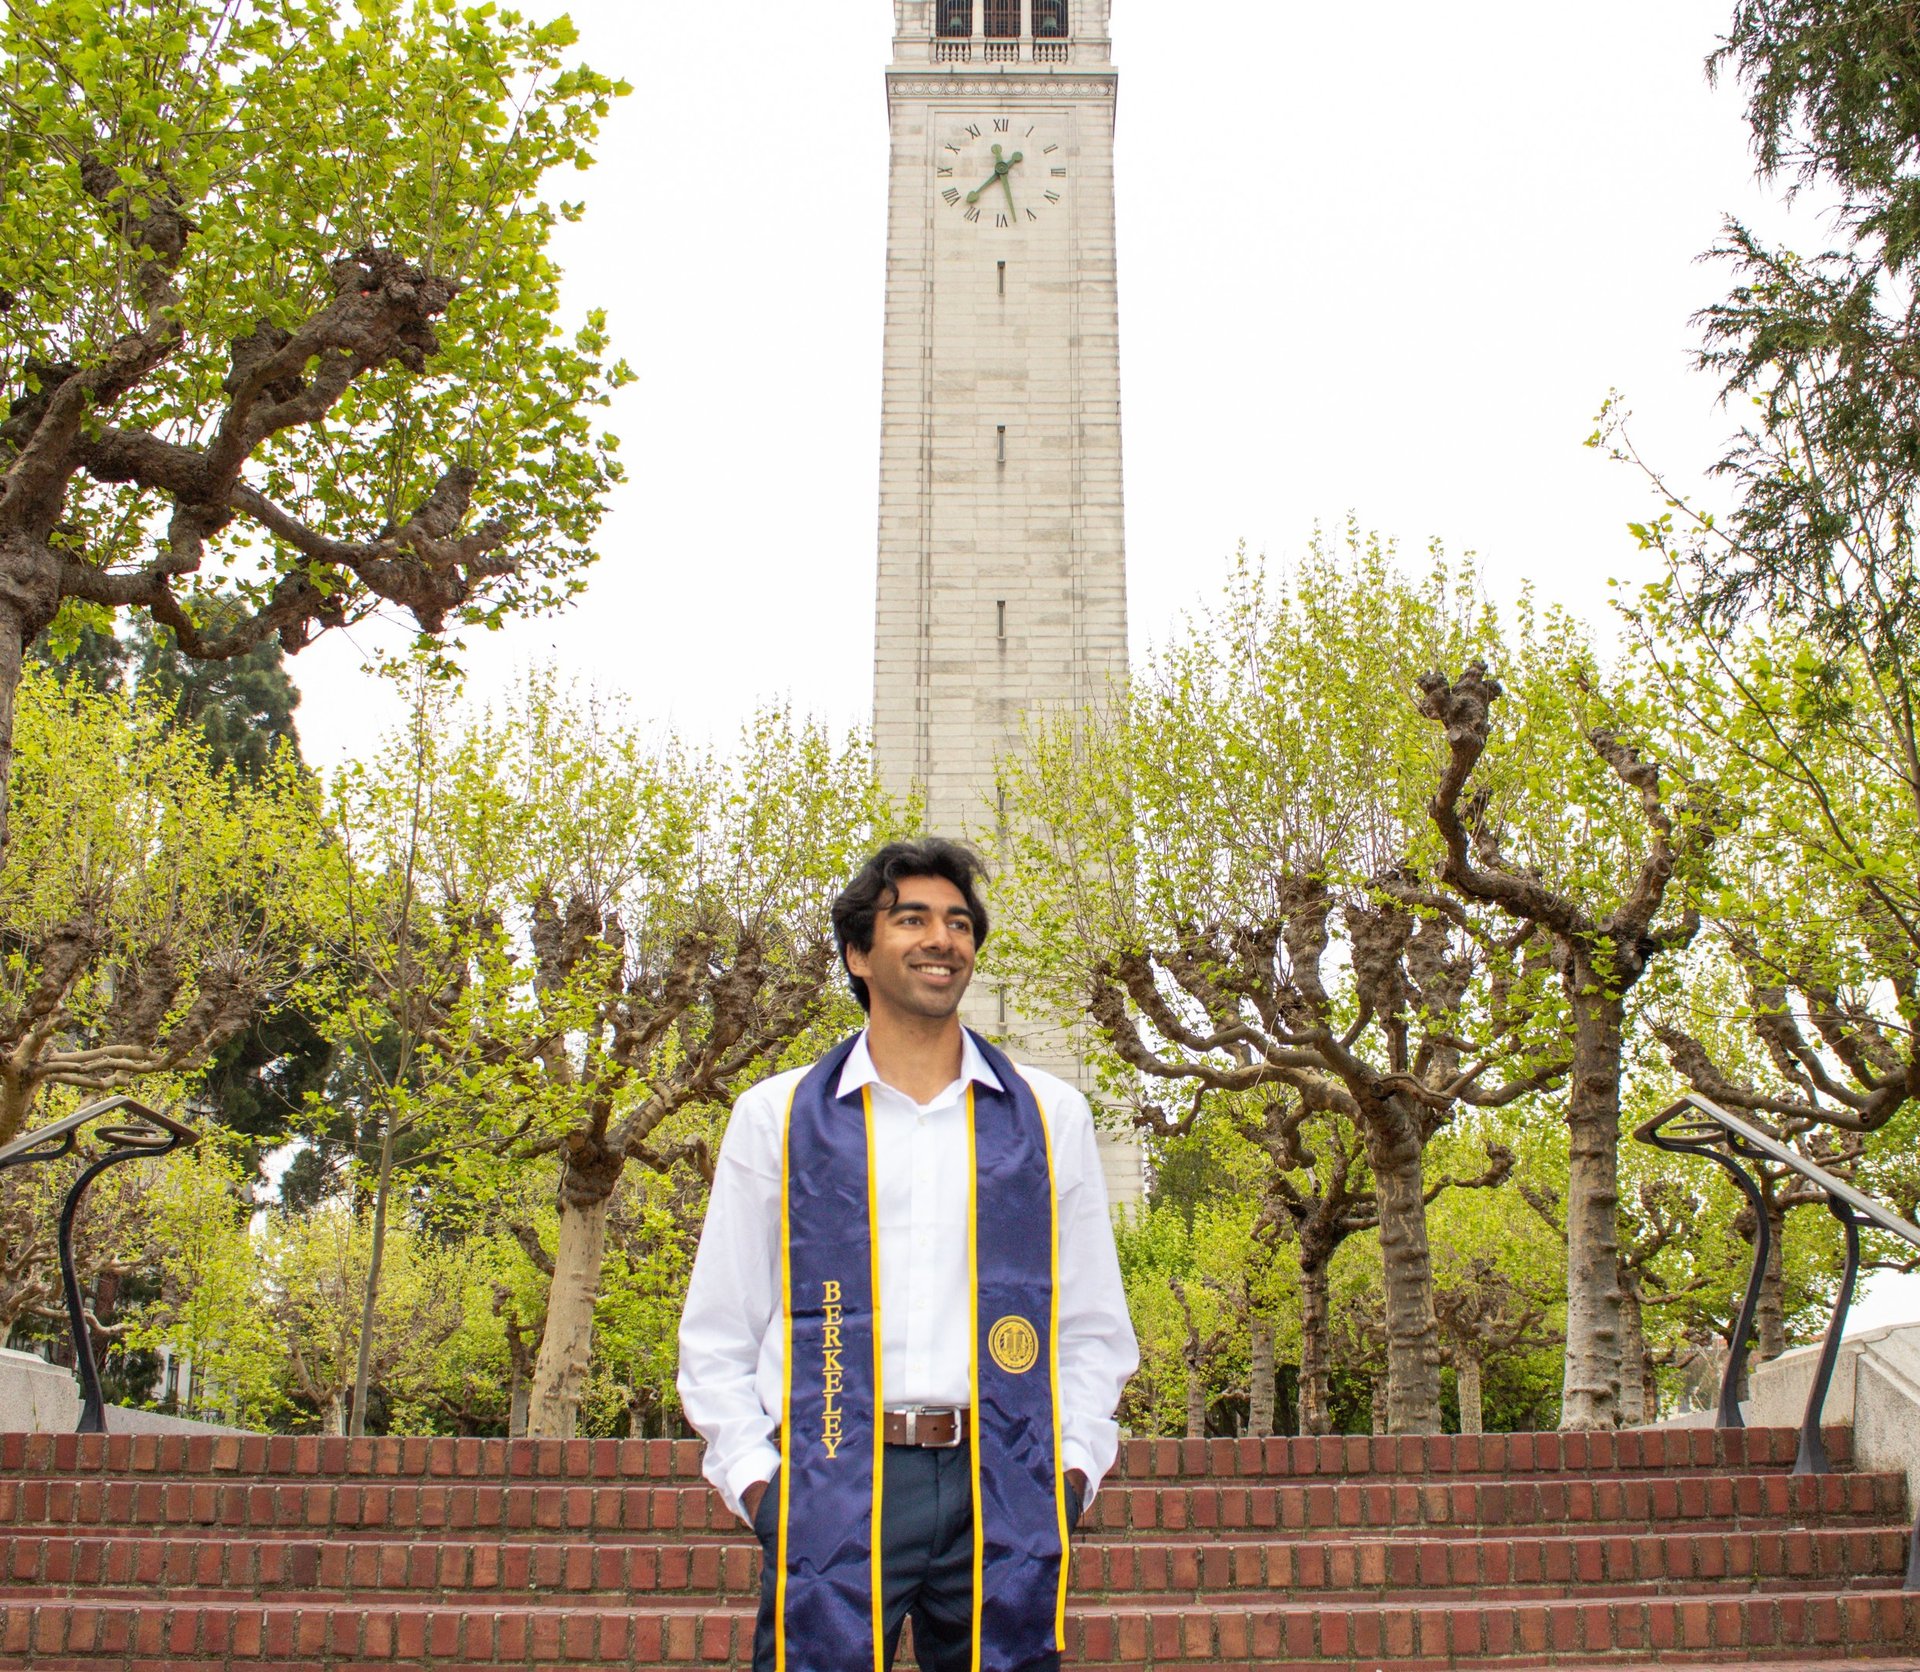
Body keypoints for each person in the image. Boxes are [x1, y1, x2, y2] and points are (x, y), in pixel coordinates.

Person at [678, 838, 1137, 1672]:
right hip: (831, 1476)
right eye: (912, 919)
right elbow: (719, 1328)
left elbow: (1092, 1323)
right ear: (858, 954)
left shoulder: (1049, 1116)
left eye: (958, 923)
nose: (942, 939)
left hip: (1004, 1479)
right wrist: (758, 1484)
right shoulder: (776, 1117)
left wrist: (1071, 1472)